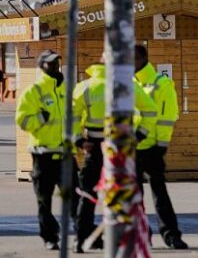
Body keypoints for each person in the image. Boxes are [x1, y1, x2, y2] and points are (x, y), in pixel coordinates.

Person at [72, 55, 158, 253]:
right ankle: (132, 236)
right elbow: (151, 111)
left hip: (94, 147)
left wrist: (79, 141)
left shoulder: (85, 87)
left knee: (88, 195)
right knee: (128, 192)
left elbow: (72, 117)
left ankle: (81, 238)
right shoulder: (127, 85)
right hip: (123, 148)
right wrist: (139, 136)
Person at [133, 45, 189, 250]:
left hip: (152, 147)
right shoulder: (129, 83)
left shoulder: (161, 83)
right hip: (133, 146)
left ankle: (171, 235)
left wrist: (162, 144)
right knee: (134, 195)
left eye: (132, 60)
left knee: (159, 193)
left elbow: (168, 115)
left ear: (142, 59)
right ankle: (142, 234)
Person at [16, 50, 70, 251]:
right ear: (41, 67)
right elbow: (22, 120)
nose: (55, 66)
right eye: (50, 64)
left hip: (65, 154)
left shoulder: (65, 89)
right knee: (44, 200)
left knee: (76, 197)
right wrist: (40, 118)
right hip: (43, 154)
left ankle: (84, 234)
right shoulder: (34, 91)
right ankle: (49, 236)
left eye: (57, 62)